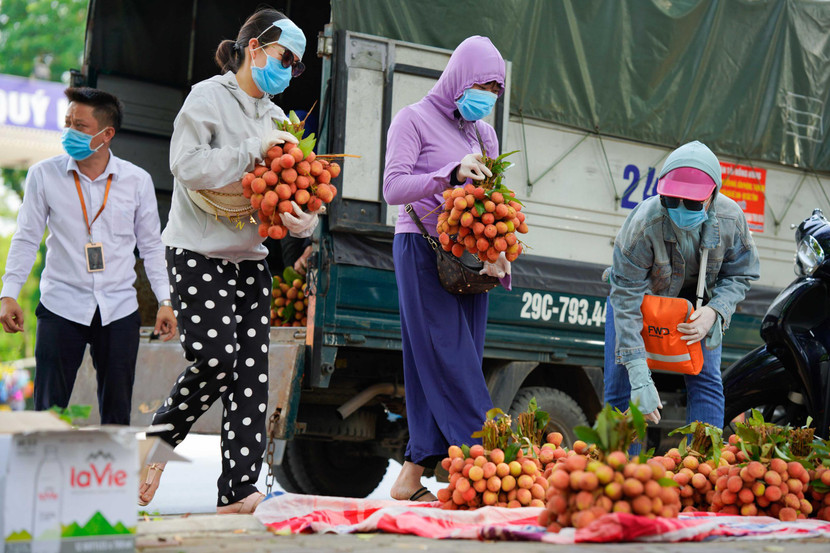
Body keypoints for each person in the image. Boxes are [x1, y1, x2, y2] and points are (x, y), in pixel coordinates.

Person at [137, 8, 318, 515]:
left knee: (251, 379)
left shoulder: (280, 119)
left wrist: (302, 219)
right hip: (197, 253)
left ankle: (237, 491)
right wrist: (253, 149)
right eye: (285, 58)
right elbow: (186, 165)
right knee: (217, 359)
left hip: (250, 261)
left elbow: (285, 194)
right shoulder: (207, 98)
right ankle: (159, 440)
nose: (289, 70)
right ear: (254, 48)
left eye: (297, 65)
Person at [382, 36, 510, 502]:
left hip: (468, 259)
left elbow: (491, 202)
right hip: (421, 248)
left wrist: (499, 252)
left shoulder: (484, 135)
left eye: (495, 90)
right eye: (482, 85)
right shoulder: (412, 119)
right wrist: (449, 174)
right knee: (450, 357)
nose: (488, 97)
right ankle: (486, 462)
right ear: (458, 77)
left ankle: (411, 474)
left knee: (443, 360)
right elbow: (393, 187)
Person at [0, 87, 176, 424]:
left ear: (106, 134)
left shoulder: (137, 181)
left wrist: (164, 301)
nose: (69, 132)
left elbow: (152, 247)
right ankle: (48, 460)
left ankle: (111, 462)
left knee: (117, 415)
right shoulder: (43, 175)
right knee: (48, 414)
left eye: (79, 126)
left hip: (119, 308)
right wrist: (9, 294)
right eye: (67, 123)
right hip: (60, 305)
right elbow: (26, 238)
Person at [603, 140, 760, 430]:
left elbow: (741, 273)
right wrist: (640, 377)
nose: (680, 208)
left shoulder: (731, 219)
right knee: (621, 388)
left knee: (707, 383)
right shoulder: (643, 224)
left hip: (698, 310)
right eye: (671, 200)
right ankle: (619, 459)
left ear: (713, 195)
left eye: (692, 202)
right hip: (637, 303)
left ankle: (702, 457)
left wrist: (715, 311)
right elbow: (625, 299)